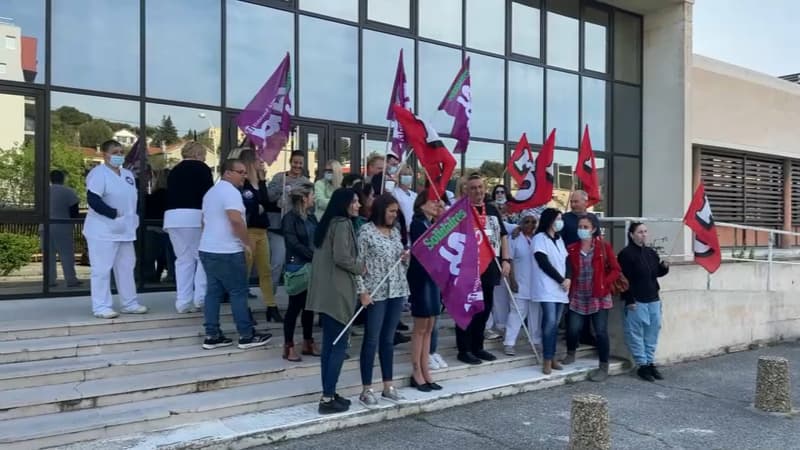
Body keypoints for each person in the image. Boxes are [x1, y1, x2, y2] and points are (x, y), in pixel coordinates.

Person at [198, 159, 272, 350]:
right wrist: (246, 243)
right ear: (227, 173)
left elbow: (204, 222)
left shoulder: (211, 192)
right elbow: (236, 220)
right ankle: (246, 335)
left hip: (208, 248)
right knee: (238, 292)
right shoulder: (230, 192)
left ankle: (212, 335)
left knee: (213, 293)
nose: (244, 176)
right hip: (228, 251)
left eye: (245, 172)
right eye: (240, 172)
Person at [307, 188, 361, 414]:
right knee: (338, 346)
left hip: (325, 293)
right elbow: (342, 257)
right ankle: (327, 398)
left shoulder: (328, 223)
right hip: (338, 294)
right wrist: (361, 267)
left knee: (329, 347)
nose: (358, 205)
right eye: (355, 201)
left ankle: (328, 392)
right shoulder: (341, 224)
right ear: (345, 203)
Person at [356, 193, 411, 406]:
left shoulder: (395, 232)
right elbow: (358, 265)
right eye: (391, 211)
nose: (394, 215)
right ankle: (366, 388)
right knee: (372, 339)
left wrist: (406, 259)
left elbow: (401, 263)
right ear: (381, 210)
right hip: (375, 292)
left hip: (396, 290)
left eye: (396, 212)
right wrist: (362, 291)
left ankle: (388, 385)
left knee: (388, 340)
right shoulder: (366, 232)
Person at [83, 140, 147, 319]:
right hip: (103, 230)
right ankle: (101, 306)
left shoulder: (127, 175)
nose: (119, 155)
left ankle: (129, 303)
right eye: (115, 152)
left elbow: (132, 199)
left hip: (125, 230)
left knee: (126, 267)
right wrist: (113, 213)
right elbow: (93, 200)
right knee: (102, 269)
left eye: (121, 151)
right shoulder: (98, 173)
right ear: (104, 154)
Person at [456, 173, 511, 365]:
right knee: (468, 308)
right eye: (473, 188)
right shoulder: (461, 211)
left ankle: (478, 347)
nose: (478, 191)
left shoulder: (492, 210)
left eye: (480, 187)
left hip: (490, 266)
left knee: (485, 308)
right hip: (468, 268)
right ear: (466, 190)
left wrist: (506, 260)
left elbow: (503, 236)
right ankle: (464, 349)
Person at [562, 216, 621, 382]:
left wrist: (604, 283)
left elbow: (616, 270)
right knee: (573, 329)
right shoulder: (572, 248)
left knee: (601, 332)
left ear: (593, 229)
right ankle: (571, 353)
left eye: (585, 226)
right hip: (578, 294)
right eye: (580, 226)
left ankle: (603, 366)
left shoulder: (603, 247)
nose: (582, 229)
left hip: (598, 295)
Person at [229, 148, 281, 322]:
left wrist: (264, 180)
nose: (262, 162)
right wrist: (256, 206)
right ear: (251, 162)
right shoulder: (244, 185)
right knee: (245, 271)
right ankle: (244, 308)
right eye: (259, 160)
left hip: (262, 231)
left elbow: (265, 203)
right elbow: (250, 206)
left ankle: (271, 306)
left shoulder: (258, 182)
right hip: (249, 231)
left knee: (265, 270)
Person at [164, 141, 214, 313]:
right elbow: (208, 196)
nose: (205, 159)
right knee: (202, 257)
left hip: (172, 218)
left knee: (183, 260)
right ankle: (200, 297)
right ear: (198, 154)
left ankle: (182, 302)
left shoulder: (174, 171)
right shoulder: (202, 169)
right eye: (204, 155)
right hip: (194, 216)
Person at [617, 222, 670, 382]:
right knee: (635, 334)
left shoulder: (651, 253)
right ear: (632, 234)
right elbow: (623, 279)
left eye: (645, 232)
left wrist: (664, 268)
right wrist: (628, 299)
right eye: (640, 232)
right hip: (636, 300)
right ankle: (642, 365)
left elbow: (656, 273)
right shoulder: (626, 254)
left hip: (653, 298)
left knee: (652, 332)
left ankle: (650, 361)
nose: (643, 235)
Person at [407, 191, 446, 389]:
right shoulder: (417, 224)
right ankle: (416, 371)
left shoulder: (431, 224)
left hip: (433, 278)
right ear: (421, 205)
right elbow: (424, 248)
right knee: (421, 326)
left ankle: (425, 369)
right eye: (431, 201)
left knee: (430, 324)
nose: (435, 204)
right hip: (421, 278)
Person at [267, 150, 311, 303]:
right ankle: (270, 301)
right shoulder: (280, 177)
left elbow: (310, 204)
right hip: (279, 227)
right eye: (295, 162)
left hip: (296, 228)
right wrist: (281, 189)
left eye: (300, 163)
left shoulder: (306, 182)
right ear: (290, 161)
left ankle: (296, 299)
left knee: (296, 264)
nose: (297, 165)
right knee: (277, 263)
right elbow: (269, 196)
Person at [281, 182, 319, 361]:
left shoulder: (311, 217)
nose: (314, 198)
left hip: (313, 265)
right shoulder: (289, 218)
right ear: (304, 198)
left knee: (309, 307)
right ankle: (288, 345)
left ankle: (308, 341)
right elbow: (293, 243)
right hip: (298, 266)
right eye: (312, 195)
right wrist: (312, 255)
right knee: (294, 307)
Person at [531, 208, 570, 374]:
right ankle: (546, 359)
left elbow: (567, 261)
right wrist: (561, 279)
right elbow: (543, 262)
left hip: (561, 289)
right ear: (549, 220)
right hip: (547, 286)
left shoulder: (559, 239)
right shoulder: (539, 238)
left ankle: (553, 357)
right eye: (557, 218)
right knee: (549, 323)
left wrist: (567, 278)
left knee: (555, 326)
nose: (560, 222)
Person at [503, 211, 542, 357]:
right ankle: (509, 343)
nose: (530, 225)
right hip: (519, 282)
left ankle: (536, 341)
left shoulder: (539, 238)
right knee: (517, 313)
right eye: (527, 221)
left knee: (535, 314)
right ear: (520, 223)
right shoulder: (514, 238)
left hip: (537, 284)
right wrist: (512, 280)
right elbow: (510, 259)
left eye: (533, 222)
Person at [46, 169, 81, 288]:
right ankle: (71, 280)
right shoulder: (68, 191)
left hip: (44, 225)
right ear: (63, 178)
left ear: (51, 179)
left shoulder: (44, 191)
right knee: (66, 254)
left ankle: (50, 280)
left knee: (48, 254)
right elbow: (74, 210)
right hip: (62, 225)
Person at [391, 164, 417, 232]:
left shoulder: (414, 195)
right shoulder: (394, 192)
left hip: (414, 229)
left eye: (410, 174)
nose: (408, 176)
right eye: (405, 174)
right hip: (402, 229)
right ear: (399, 176)